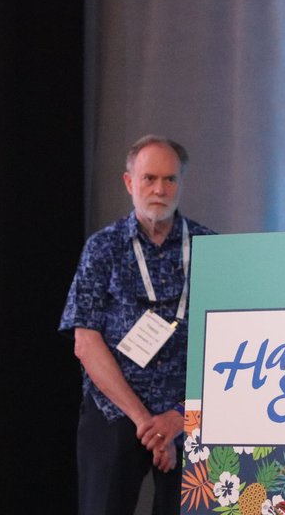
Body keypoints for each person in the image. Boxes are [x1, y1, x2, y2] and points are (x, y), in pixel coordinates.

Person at [59, 135, 216, 515]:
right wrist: (145, 422)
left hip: (189, 416)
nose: (159, 189)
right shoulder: (103, 247)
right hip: (115, 409)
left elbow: (226, 345)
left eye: (169, 179)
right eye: (149, 179)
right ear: (130, 183)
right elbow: (86, 342)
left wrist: (178, 418)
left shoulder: (211, 248)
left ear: (181, 183)